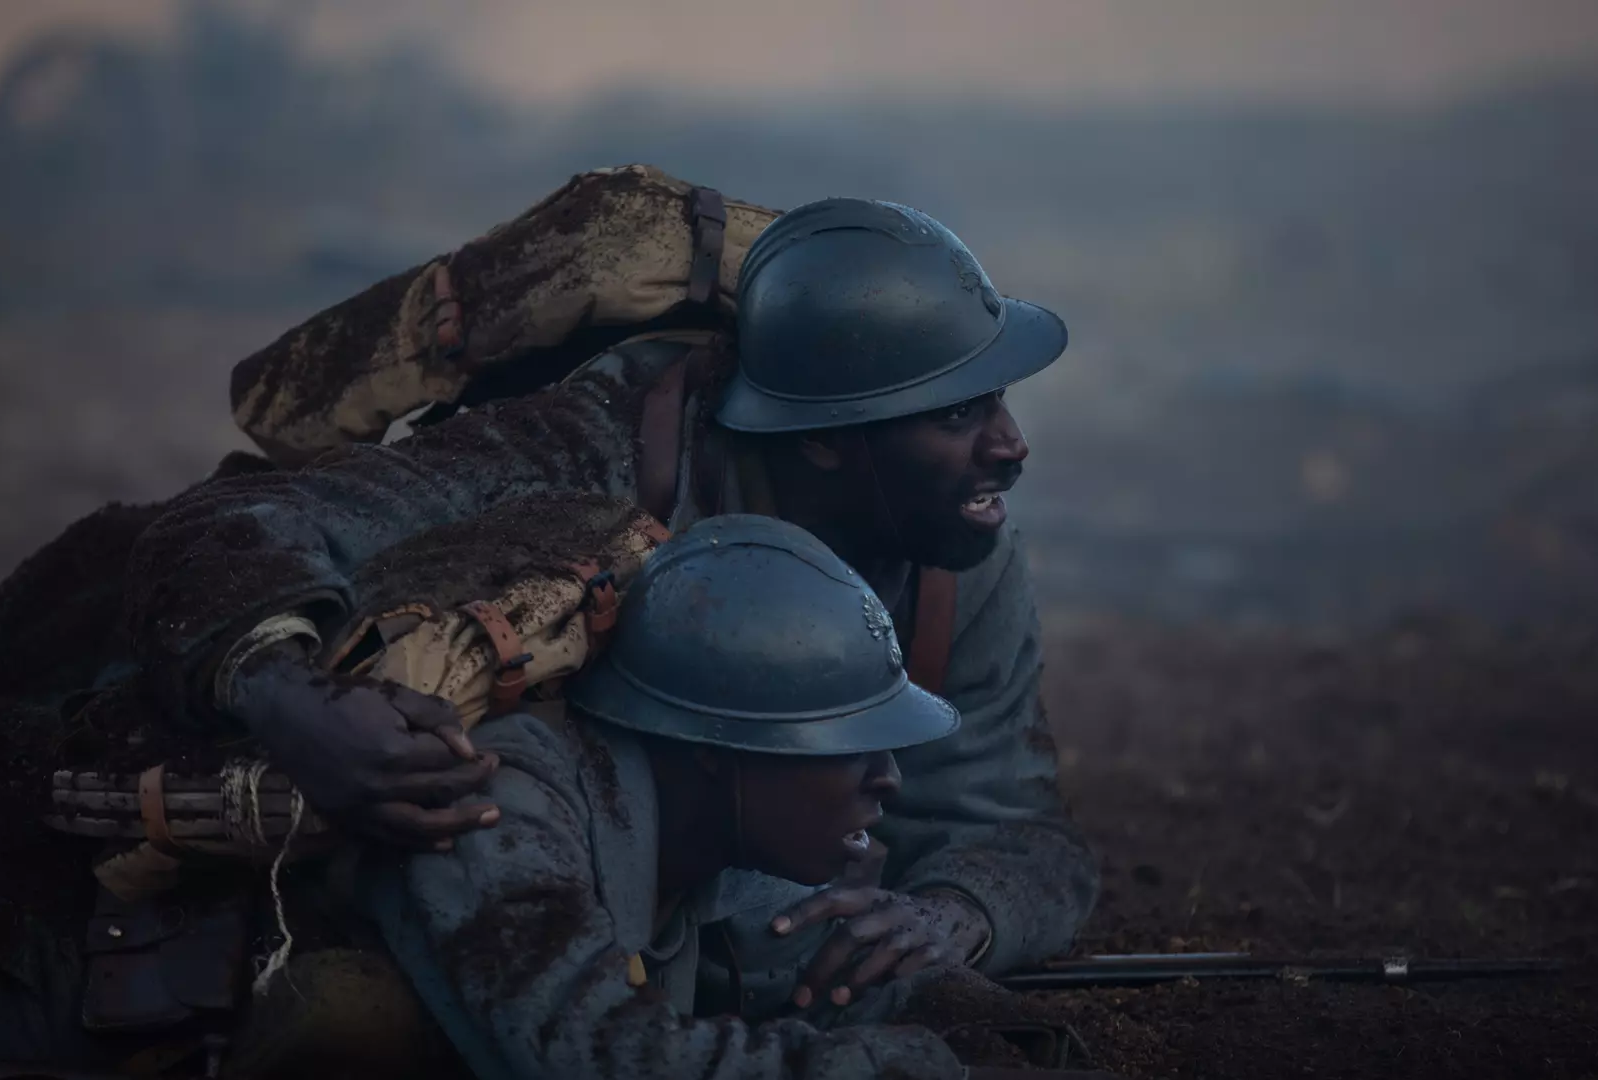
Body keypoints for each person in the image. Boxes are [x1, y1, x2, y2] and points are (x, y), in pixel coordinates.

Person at [122, 197, 1101, 1000]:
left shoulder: (952, 559)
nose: (1011, 447)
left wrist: (955, 917)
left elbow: (1013, 823)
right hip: (493, 903)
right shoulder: (595, 451)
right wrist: (296, 705)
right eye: (960, 414)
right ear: (824, 437)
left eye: (1000, 402)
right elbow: (232, 524)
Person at [323, 514, 974, 1079]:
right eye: (847, 746)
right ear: (715, 750)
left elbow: (833, 971)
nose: (888, 777)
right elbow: (597, 1058)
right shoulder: (496, 810)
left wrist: (985, 1019)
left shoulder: (720, 834)